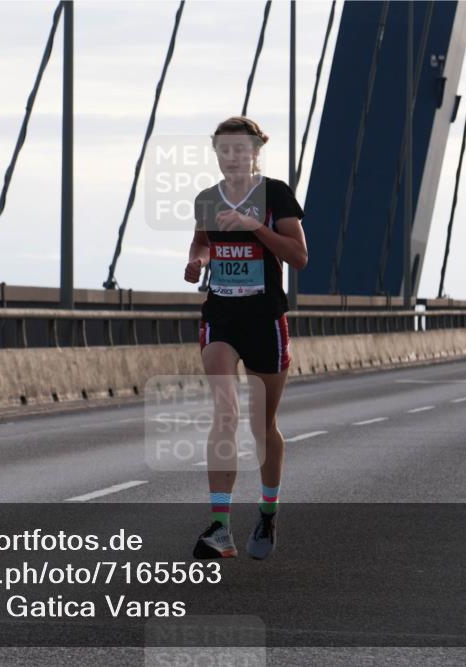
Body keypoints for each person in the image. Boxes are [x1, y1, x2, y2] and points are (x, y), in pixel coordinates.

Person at [184, 116, 307, 560]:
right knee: (225, 412)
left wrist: (251, 225)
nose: (232, 157)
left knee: (262, 425)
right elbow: (202, 242)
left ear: (256, 152)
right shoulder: (207, 199)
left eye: (241, 149)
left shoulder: (276, 195)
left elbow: (299, 256)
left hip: (265, 320)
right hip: (221, 316)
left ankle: (268, 512)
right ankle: (220, 527)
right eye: (224, 150)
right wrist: (198, 261)